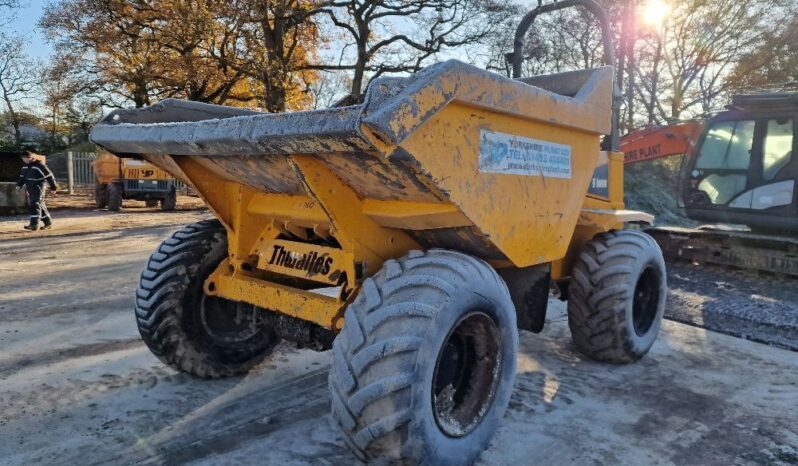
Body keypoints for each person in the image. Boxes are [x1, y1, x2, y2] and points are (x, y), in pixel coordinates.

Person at [15, 150, 57, 231]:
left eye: (25, 158)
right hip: (30, 189)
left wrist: (53, 187)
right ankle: (48, 222)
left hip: (39, 188)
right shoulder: (24, 168)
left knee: (35, 204)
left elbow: (49, 176)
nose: (23, 160)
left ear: (30, 158)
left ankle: (34, 224)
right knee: (39, 205)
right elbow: (22, 178)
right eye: (22, 159)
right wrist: (19, 185)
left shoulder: (39, 166)